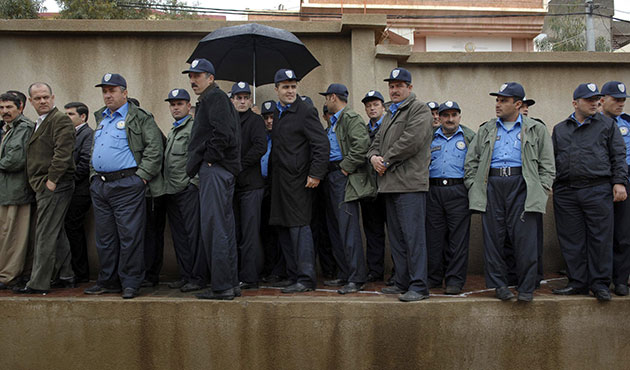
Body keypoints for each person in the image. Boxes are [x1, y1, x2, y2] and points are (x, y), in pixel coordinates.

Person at [464, 82, 555, 302]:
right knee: (493, 238)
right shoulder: (486, 129)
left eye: (503, 100)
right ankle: (499, 285)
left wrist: (540, 189)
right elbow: (471, 162)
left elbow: (547, 165)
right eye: (497, 100)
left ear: (518, 104)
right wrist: (474, 185)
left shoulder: (536, 129)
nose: (498, 104)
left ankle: (526, 287)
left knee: (525, 240)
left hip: (521, 185)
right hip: (492, 185)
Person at [84, 73, 164, 299]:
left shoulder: (140, 117)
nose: (107, 95)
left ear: (125, 92)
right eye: (104, 91)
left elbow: (154, 149)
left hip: (128, 184)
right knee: (105, 237)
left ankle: (130, 282)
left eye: (112, 90)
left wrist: (141, 178)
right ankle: (108, 280)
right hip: (101, 186)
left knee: (130, 236)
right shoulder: (102, 117)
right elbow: (95, 150)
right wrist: (92, 174)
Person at [551, 83, 627, 301]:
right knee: (571, 239)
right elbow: (552, 160)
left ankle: (600, 284)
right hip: (567, 191)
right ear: (575, 103)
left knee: (600, 239)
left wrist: (619, 182)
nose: (595, 103)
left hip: (597, 189)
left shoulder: (607, 125)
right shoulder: (561, 129)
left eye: (597, 99)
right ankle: (577, 282)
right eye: (589, 100)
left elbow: (618, 156)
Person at [367, 67, 433, 302]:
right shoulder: (390, 114)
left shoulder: (419, 110)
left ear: (409, 88)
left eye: (399, 86)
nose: (394, 90)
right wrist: (373, 157)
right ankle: (402, 281)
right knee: (396, 238)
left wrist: (385, 159)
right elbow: (375, 140)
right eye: (392, 86)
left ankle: (419, 285)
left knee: (413, 237)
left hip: (410, 185)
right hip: (389, 184)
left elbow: (411, 141)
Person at [185, 59, 241, 300]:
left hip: (215, 170)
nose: (192, 79)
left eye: (198, 75)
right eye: (191, 75)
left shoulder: (214, 98)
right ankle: (229, 284)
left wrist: (210, 159)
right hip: (218, 170)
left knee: (215, 228)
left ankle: (222, 286)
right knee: (223, 228)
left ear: (211, 78)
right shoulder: (211, 98)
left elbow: (223, 132)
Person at [269, 68, 329, 293]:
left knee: (299, 229)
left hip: (299, 182)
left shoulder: (305, 111)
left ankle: (305, 278)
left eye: (293, 86)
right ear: (276, 90)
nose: (290, 91)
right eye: (285, 87)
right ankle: (293, 275)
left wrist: (315, 174)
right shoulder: (278, 113)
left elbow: (321, 144)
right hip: (279, 182)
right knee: (284, 228)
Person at [15, 82, 75, 294]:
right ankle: (66, 275)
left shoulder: (59, 120)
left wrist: (52, 181)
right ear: (30, 101)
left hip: (55, 184)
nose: (42, 101)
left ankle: (38, 283)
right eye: (38, 98)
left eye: (46, 97)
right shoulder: (39, 122)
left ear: (53, 97)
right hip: (44, 184)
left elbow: (63, 153)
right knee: (55, 232)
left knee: (45, 234)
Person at [319, 83, 374, 294]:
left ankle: (356, 277)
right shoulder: (333, 122)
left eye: (326, 98)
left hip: (343, 177)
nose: (325, 102)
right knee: (335, 228)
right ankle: (344, 273)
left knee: (348, 228)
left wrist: (344, 169)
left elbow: (362, 146)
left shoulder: (350, 118)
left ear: (333, 97)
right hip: (331, 177)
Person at [427, 101, 475, 294]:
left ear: (459, 117)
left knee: (458, 239)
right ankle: (434, 277)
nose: (450, 119)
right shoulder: (430, 137)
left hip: (458, 191)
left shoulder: (469, 136)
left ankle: (455, 280)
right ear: (439, 117)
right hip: (434, 190)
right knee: (434, 238)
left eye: (454, 115)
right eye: (445, 115)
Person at [162, 88, 206, 293]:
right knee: (180, 237)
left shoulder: (193, 127)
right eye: (172, 104)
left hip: (188, 189)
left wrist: (193, 183)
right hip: (172, 190)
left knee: (193, 236)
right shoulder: (173, 130)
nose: (175, 107)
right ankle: (186, 275)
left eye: (180, 104)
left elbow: (199, 157)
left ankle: (197, 277)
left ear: (189, 106)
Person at [230, 82, 267, 289]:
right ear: (232, 100)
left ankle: (250, 276)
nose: (242, 101)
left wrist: (239, 165)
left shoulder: (256, 121)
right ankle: (234, 273)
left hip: (251, 186)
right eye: (238, 97)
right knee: (233, 231)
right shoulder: (228, 121)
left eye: (245, 97)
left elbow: (260, 147)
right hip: (231, 185)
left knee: (250, 233)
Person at [0, 93, 35, 289]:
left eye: (9, 107)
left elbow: (15, 160)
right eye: (2, 108)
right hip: (6, 190)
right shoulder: (8, 128)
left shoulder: (23, 127)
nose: (5, 112)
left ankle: (8, 276)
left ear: (20, 107)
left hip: (17, 191)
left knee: (14, 236)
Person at [601, 80, 630, 296]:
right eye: (616, 100)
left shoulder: (627, 122)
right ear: (603, 100)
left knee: (623, 232)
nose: (620, 104)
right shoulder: (593, 123)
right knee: (600, 233)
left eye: (623, 100)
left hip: (625, 179)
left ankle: (620, 279)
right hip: (601, 180)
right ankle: (602, 277)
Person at [360, 90, 391, 283]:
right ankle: (375, 270)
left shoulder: (390, 126)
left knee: (396, 232)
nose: (372, 108)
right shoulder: (362, 130)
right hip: (369, 189)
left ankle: (399, 271)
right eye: (368, 105)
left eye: (375, 104)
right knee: (373, 232)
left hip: (388, 186)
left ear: (383, 107)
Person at [63, 102, 94, 283]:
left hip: (80, 191)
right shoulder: (70, 134)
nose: (66, 118)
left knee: (73, 229)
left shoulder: (87, 134)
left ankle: (80, 273)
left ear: (83, 117)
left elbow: (84, 163)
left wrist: (67, 180)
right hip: (70, 189)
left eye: (70, 114)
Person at [259, 100, 286, 283]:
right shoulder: (262, 137)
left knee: (279, 231)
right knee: (265, 231)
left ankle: (280, 269)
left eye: (272, 117)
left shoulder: (282, 137)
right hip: (262, 186)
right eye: (266, 117)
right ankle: (268, 268)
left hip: (279, 187)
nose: (269, 121)